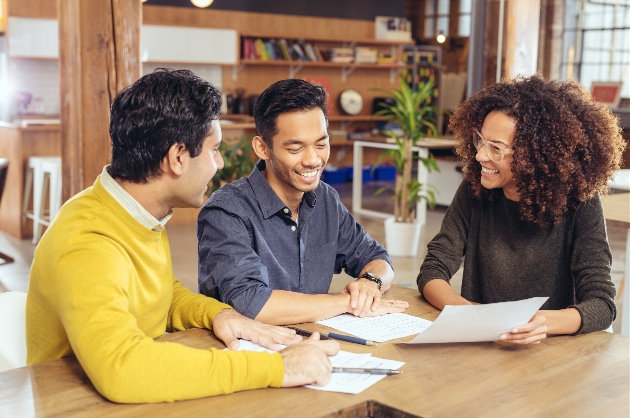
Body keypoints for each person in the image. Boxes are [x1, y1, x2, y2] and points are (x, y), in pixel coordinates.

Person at [26, 69, 339, 404]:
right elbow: (123, 370)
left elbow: (160, 294)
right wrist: (276, 367)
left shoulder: (134, 213)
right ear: (177, 157)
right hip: (81, 406)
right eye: (213, 149)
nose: (219, 164)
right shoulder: (88, 241)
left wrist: (221, 315)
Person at [418, 74, 625, 344]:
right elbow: (433, 270)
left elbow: (602, 304)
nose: (481, 155)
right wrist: (467, 314)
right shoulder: (476, 189)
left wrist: (542, 323)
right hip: (487, 345)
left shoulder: (581, 201)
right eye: (480, 140)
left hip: (555, 349)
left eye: (496, 148)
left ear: (536, 156)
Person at [197, 79, 409, 325]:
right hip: (247, 354)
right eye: (296, 149)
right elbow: (251, 303)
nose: (313, 160)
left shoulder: (326, 199)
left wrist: (369, 283)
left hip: (313, 345)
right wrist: (347, 302)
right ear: (263, 148)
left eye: (321, 144)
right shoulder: (226, 211)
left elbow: (378, 258)